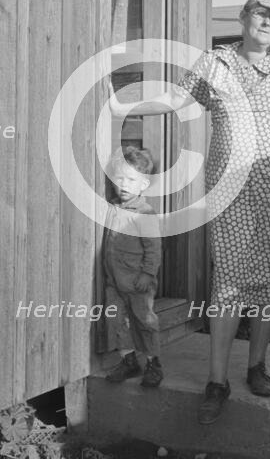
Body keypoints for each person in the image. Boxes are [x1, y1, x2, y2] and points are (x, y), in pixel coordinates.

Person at [107, 0, 270, 423]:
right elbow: (177, 100)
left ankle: (256, 365)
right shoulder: (217, 63)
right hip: (231, 185)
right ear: (243, 17)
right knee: (230, 279)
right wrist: (124, 103)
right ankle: (217, 380)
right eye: (259, 13)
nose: (267, 22)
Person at [102, 146, 164, 388]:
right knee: (115, 320)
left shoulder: (144, 213)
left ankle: (153, 363)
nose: (124, 185)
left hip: (138, 281)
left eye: (131, 179)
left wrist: (148, 273)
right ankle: (128, 361)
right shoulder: (114, 207)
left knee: (144, 320)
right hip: (114, 281)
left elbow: (153, 247)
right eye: (120, 178)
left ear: (143, 185)